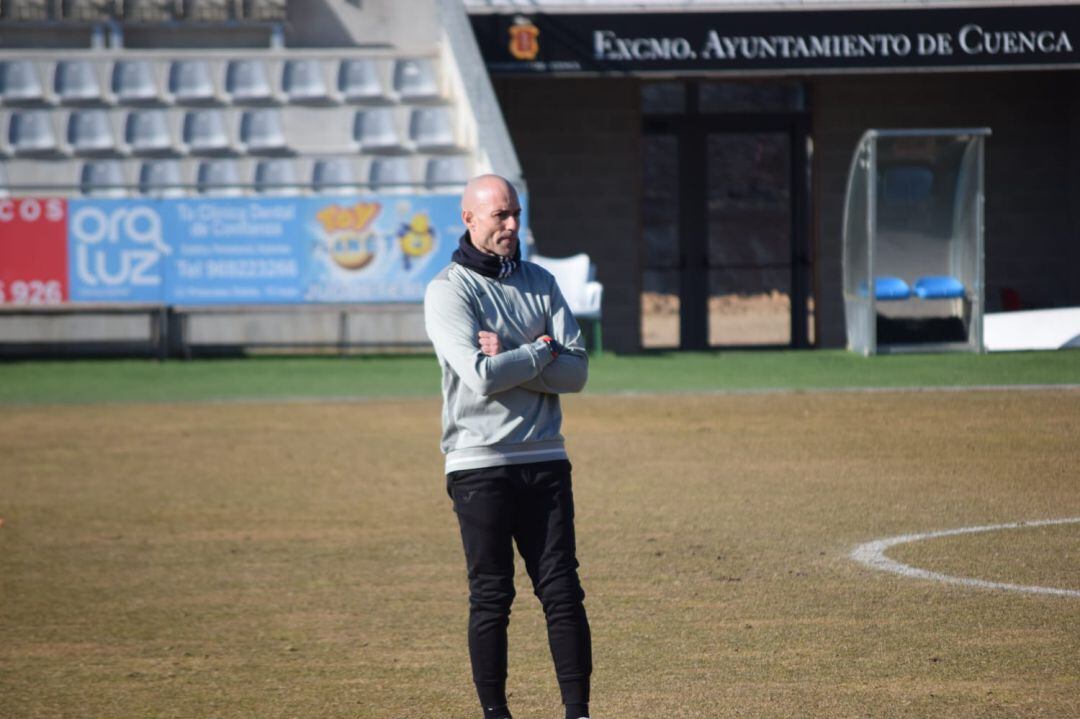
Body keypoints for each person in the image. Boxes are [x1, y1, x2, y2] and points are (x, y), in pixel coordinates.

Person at [424, 174, 593, 719]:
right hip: (479, 465)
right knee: (493, 597)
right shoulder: (448, 290)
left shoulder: (541, 281)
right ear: (469, 218)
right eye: (500, 215)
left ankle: (578, 712)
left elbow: (578, 372)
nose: (512, 225)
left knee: (562, 592)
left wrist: (523, 351)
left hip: (545, 456)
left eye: (515, 213)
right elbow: (480, 377)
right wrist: (545, 349)